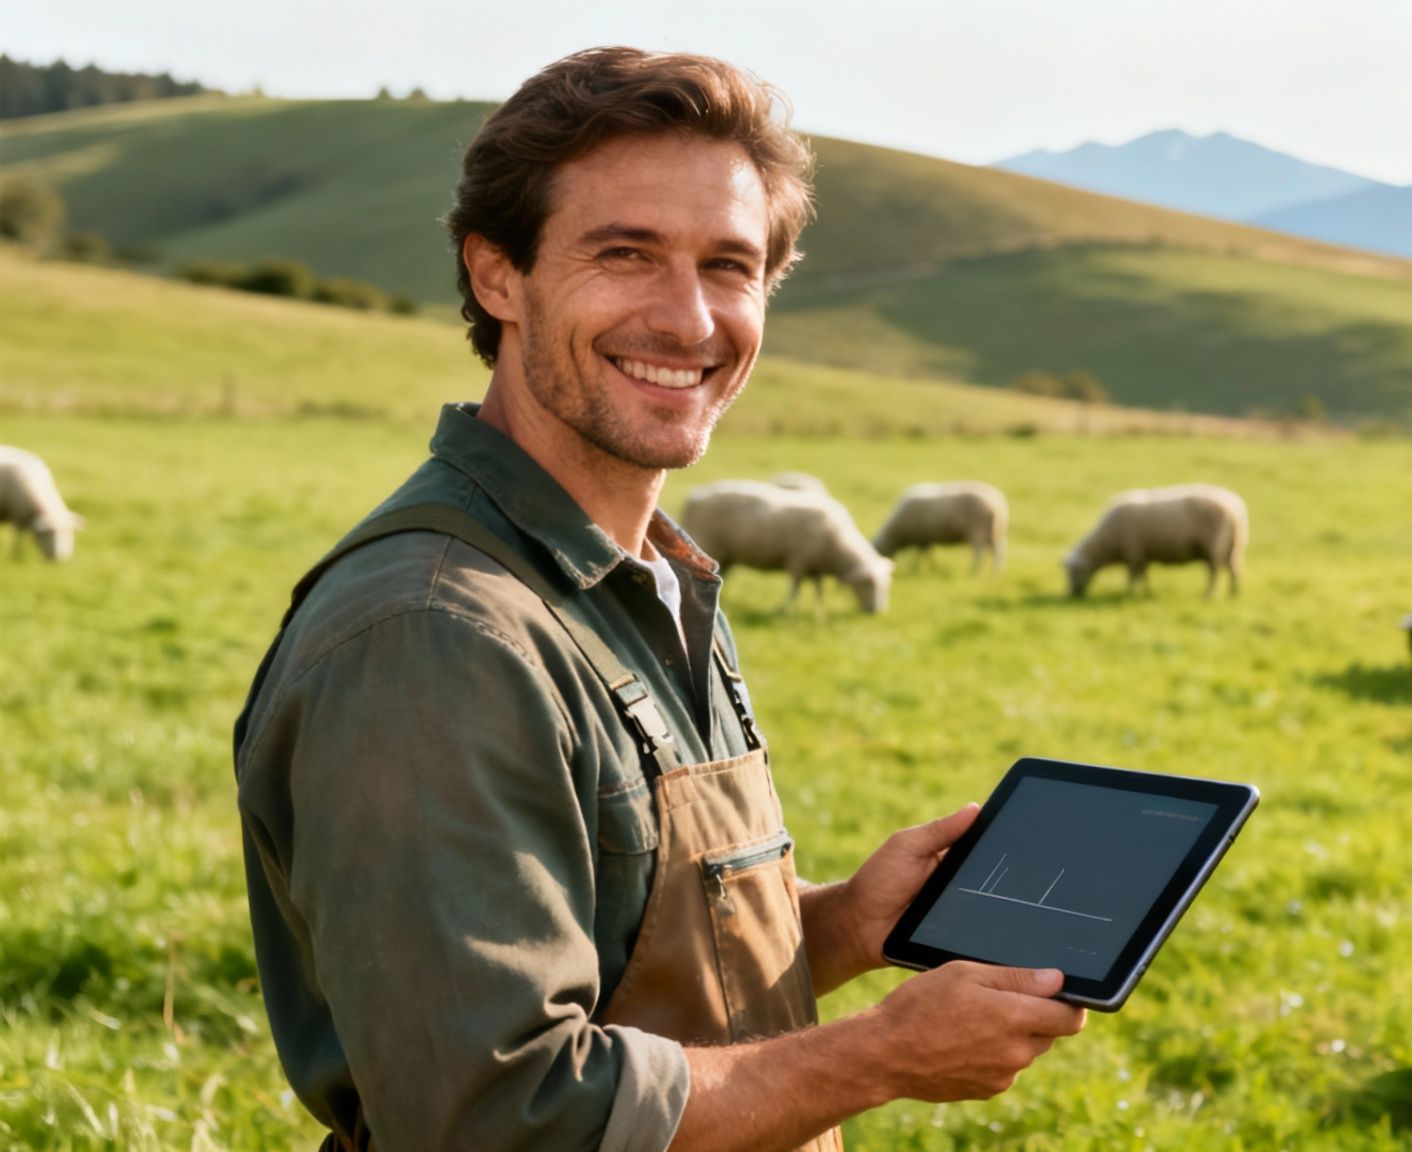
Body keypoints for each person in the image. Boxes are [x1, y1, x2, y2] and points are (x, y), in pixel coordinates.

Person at [234, 47, 1085, 1152]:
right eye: (625, 254)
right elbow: (494, 1117)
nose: (688, 320)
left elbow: (627, 973)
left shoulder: (645, 576)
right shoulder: (434, 635)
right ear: (498, 276)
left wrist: (834, 928)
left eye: (729, 266)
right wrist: (878, 1053)